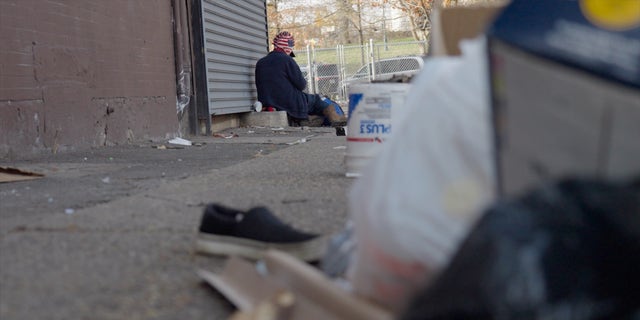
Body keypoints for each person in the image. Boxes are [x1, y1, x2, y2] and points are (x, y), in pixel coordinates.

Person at [254, 31, 347, 127]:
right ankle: (334, 118)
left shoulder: (261, 62)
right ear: (287, 46)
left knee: (305, 100)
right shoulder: (287, 60)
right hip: (288, 103)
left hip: (267, 103)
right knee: (316, 100)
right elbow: (301, 85)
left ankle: (307, 119)